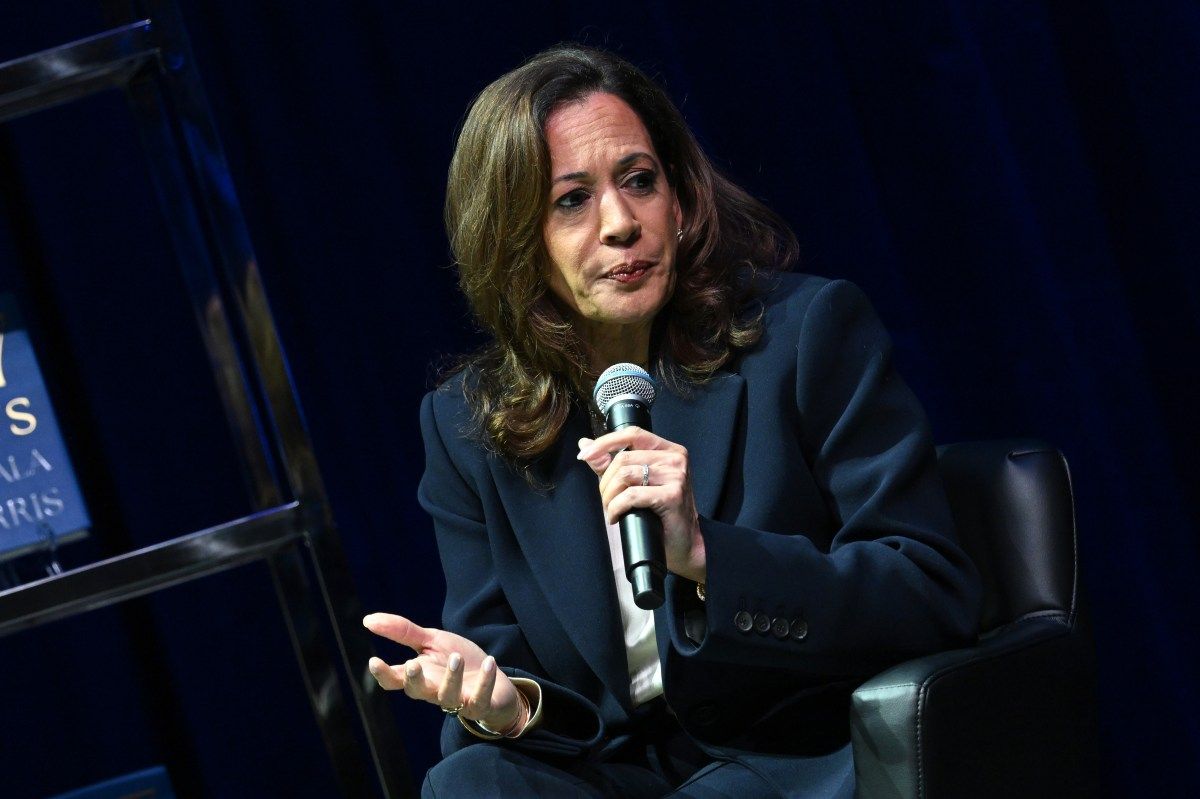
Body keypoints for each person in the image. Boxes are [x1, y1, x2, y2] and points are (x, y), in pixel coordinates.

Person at [364, 44, 980, 798]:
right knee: (469, 780)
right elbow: (503, 662)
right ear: (515, 241)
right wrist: (510, 705)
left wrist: (711, 556)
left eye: (639, 181)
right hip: (619, 773)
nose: (621, 223)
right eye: (571, 200)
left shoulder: (806, 334)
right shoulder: (468, 424)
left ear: (680, 198)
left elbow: (929, 589)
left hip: (789, 758)